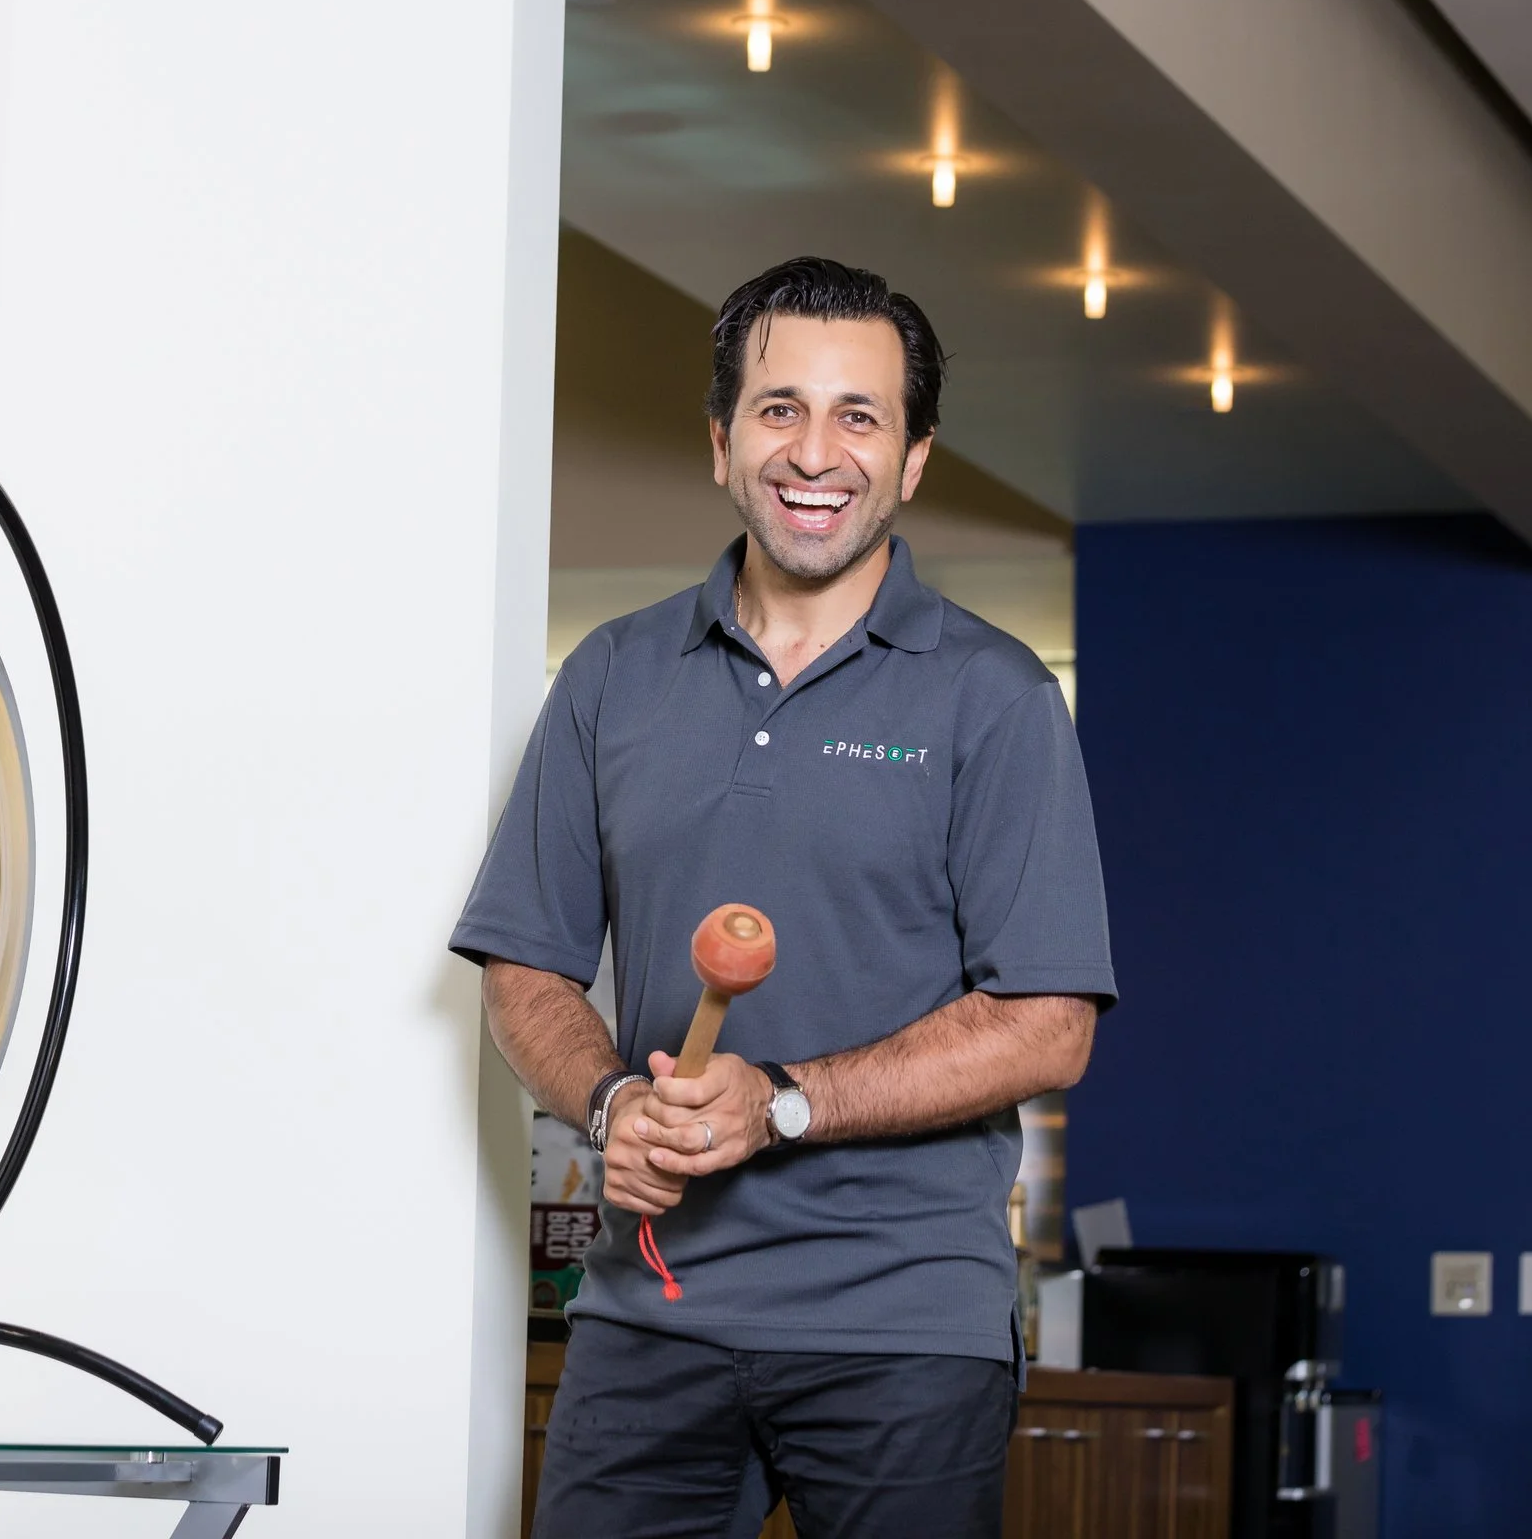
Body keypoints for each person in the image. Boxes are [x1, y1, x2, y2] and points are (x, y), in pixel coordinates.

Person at [451, 255, 1116, 1537]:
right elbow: (522, 964)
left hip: (904, 1329)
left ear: (913, 458)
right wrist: (609, 1099)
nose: (816, 451)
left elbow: (1048, 1021)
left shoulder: (996, 696)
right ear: (720, 440)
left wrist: (786, 1103)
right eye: (779, 409)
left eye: (858, 415)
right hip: (648, 1313)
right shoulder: (612, 673)